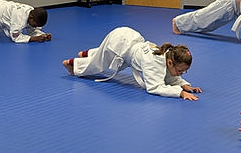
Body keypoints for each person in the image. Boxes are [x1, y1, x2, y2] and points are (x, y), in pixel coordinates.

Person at [62, 26, 201, 100]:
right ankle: (72, 64)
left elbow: (169, 75)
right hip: (120, 44)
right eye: (180, 71)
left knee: (104, 53)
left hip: (128, 37)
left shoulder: (166, 54)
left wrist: (184, 85)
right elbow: (154, 87)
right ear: (170, 63)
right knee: (99, 64)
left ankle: (85, 53)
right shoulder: (154, 63)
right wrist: (180, 93)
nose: (180, 74)